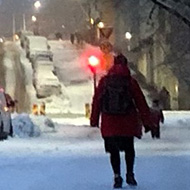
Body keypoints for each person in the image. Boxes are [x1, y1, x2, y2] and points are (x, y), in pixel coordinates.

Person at [90, 55, 153, 188]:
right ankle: (130, 174)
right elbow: (140, 102)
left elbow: (97, 100)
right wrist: (147, 121)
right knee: (129, 149)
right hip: (128, 122)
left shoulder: (104, 81)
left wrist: (94, 119)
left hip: (109, 122)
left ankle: (117, 176)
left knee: (114, 152)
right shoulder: (130, 82)